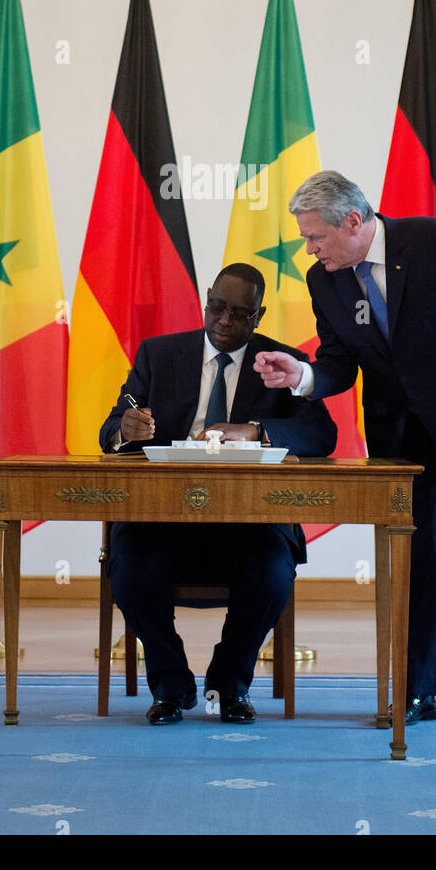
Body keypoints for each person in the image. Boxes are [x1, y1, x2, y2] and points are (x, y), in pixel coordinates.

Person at [254, 171, 436, 728]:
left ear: (354, 222)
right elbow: (339, 362)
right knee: (408, 559)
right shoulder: (325, 280)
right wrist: (303, 376)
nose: (308, 250)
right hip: (399, 431)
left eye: (315, 237)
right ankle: (415, 690)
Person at [100, 263, 337, 726]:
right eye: (217, 308)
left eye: (240, 314)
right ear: (206, 299)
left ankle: (229, 685)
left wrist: (256, 431)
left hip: (250, 523)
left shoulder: (280, 362)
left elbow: (322, 433)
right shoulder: (159, 355)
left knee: (272, 572)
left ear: (259, 314)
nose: (225, 322)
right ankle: (171, 686)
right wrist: (125, 431)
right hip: (165, 520)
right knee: (127, 566)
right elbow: (112, 426)